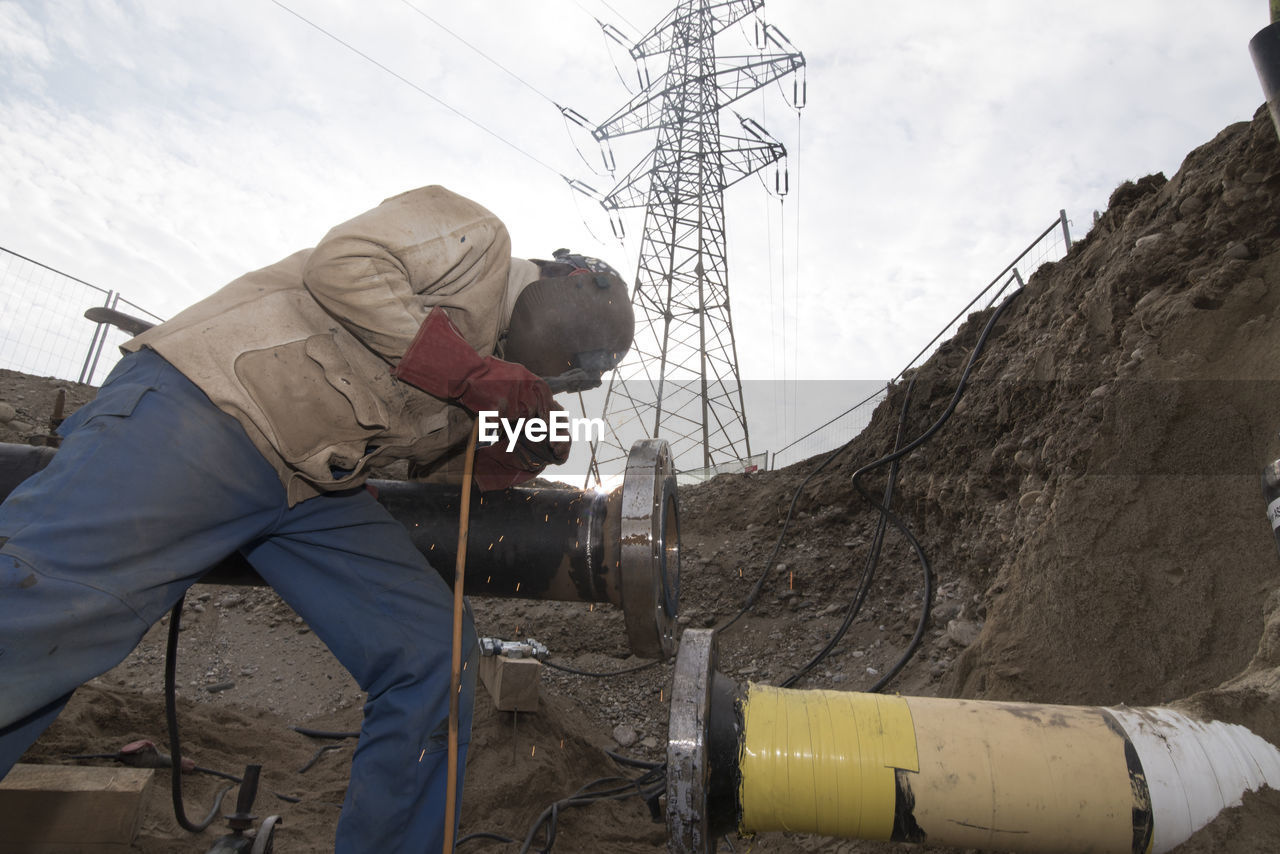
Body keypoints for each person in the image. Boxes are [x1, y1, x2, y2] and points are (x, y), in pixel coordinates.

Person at [0, 185, 634, 852]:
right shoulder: (475, 238)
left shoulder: (484, 365)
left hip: (309, 488)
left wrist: (505, 450)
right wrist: (474, 376)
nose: (568, 376)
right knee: (39, 616)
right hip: (211, 410)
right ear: (572, 279)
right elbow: (346, 264)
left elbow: (425, 467)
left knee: (431, 657)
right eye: (572, 368)